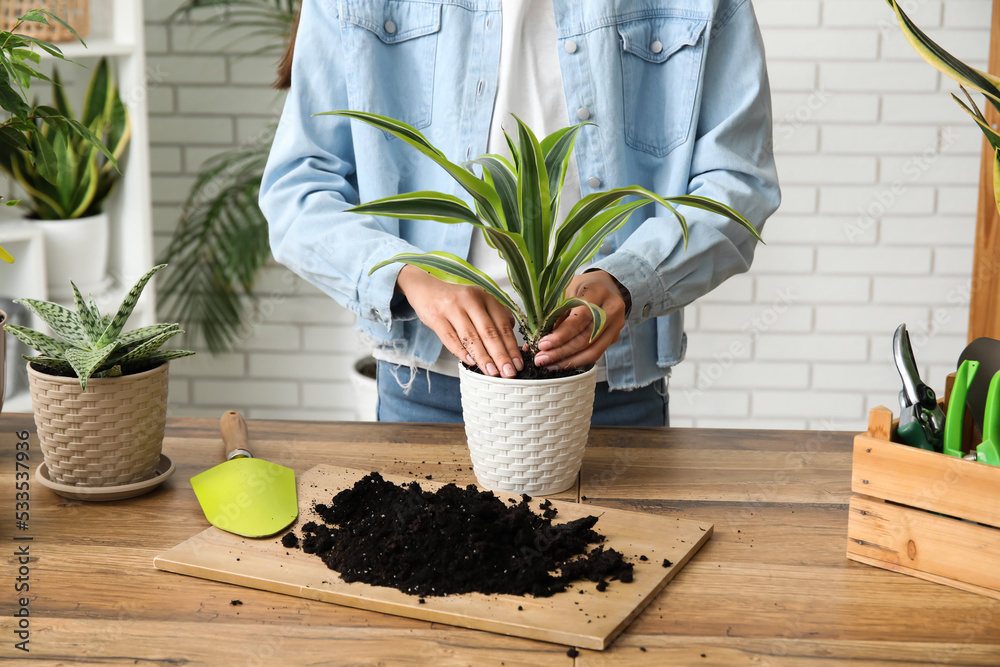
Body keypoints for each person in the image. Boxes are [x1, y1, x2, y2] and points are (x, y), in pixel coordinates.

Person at [260, 0, 781, 426]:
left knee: (628, 555)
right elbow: (298, 188)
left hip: (611, 396)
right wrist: (412, 275)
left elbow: (737, 185)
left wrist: (627, 281)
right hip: (426, 391)